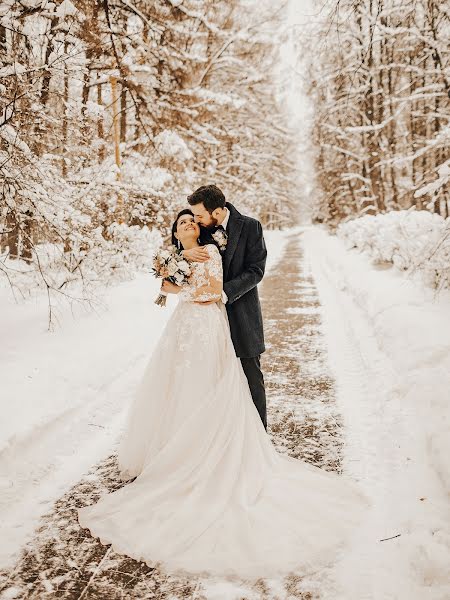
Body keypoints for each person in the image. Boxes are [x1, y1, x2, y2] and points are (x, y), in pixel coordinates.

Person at [78, 208, 367, 580]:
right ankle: (171, 450)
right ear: (175, 231)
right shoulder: (178, 255)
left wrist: (183, 274)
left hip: (206, 325)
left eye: (192, 221)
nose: (188, 225)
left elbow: (210, 293)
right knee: (176, 389)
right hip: (181, 330)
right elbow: (166, 289)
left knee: (207, 386)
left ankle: (207, 452)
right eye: (182, 223)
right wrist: (175, 268)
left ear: (201, 225)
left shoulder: (210, 252)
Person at [185, 184, 267, 429]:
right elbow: (183, 247)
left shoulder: (251, 226)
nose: (196, 220)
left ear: (218, 212)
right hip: (208, 319)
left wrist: (223, 293)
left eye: (200, 215)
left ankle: (258, 436)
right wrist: (184, 256)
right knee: (213, 377)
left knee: (251, 375)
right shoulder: (201, 229)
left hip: (242, 313)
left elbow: (256, 270)